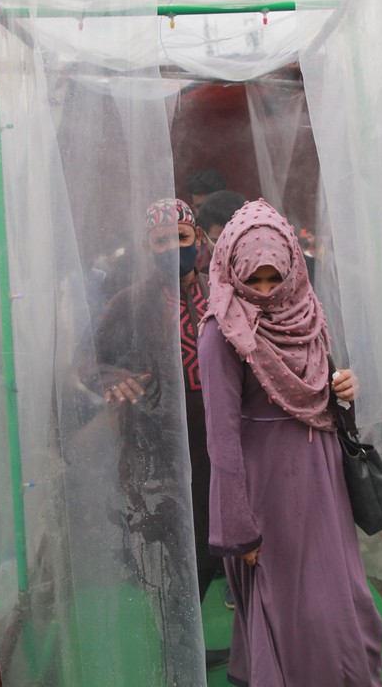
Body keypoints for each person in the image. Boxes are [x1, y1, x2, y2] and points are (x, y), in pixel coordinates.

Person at [198, 199, 382, 686]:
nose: (263, 292)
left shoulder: (307, 312)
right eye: (252, 280)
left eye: (272, 279)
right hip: (267, 488)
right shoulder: (222, 332)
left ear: (293, 270)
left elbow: (320, 390)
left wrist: (345, 389)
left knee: (343, 595)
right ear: (232, 267)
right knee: (292, 605)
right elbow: (220, 435)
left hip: (322, 475)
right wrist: (240, 530)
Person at [86, 198, 227, 669]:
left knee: (214, 545)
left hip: (219, 446)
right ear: (148, 248)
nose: (172, 248)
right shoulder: (129, 302)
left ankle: (208, 641)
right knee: (169, 555)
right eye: (160, 241)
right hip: (156, 447)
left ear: (197, 240)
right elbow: (88, 361)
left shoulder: (223, 294)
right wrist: (111, 377)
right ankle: (179, 650)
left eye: (181, 238)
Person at [195, 189, 247, 274]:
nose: (228, 250)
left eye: (234, 240)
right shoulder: (193, 270)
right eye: (218, 241)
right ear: (203, 236)